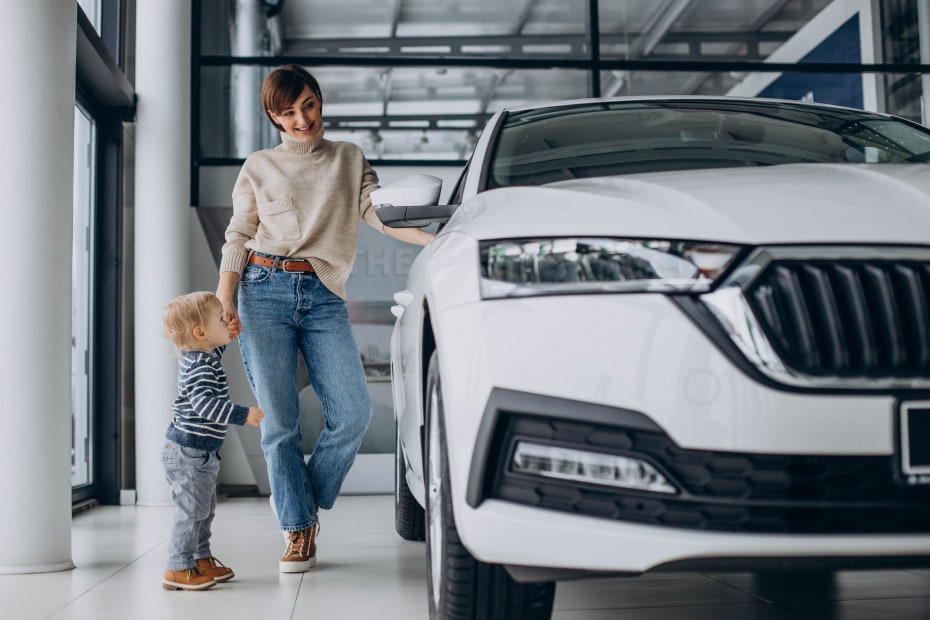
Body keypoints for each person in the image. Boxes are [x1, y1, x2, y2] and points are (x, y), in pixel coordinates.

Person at [216, 64, 434, 574]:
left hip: (323, 294)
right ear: (274, 117)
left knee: (354, 412)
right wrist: (224, 297)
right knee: (281, 424)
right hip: (260, 288)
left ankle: (302, 502)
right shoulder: (258, 166)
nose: (302, 119)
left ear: (320, 100)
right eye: (288, 112)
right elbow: (238, 234)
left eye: (308, 105)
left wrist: (427, 237)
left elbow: (376, 213)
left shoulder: (349, 158)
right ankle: (297, 530)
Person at [161, 291, 264, 591]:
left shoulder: (199, 356)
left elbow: (213, 353)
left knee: (203, 510)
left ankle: (200, 557)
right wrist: (241, 414)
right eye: (221, 320)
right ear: (200, 332)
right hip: (188, 453)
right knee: (192, 511)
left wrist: (225, 337)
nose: (227, 322)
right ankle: (178, 566)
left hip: (198, 452)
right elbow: (206, 405)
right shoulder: (201, 367)